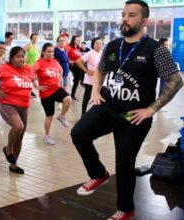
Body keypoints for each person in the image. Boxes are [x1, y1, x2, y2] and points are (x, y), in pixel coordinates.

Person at [70, 1, 183, 219]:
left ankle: (126, 209)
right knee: (79, 133)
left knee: (124, 162)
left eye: (131, 15)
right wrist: (95, 92)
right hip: (108, 107)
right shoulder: (113, 45)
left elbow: (176, 81)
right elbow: (100, 71)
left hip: (134, 117)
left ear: (144, 21)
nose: (125, 19)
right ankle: (98, 173)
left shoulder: (155, 49)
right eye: (123, 14)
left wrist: (151, 110)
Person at [0, 46, 34, 175]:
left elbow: (31, 83)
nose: (21, 59)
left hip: (24, 106)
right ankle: (8, 149)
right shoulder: (5, 68)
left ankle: (13, 165)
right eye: (17, 57)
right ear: (11, 59)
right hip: (7, 103)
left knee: (20, 137)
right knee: (18, 126)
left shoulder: (29, 70)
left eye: (22, 56)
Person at [32, 43, 72, 145]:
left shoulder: (55, 61)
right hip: (46, 93)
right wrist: (36, 86)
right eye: (48, 51)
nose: (51, 53)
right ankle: (47, 136)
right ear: (43, 52)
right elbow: (30, 74)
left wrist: (58, 80)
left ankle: (62, 116)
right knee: (49, 116)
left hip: (56, 88)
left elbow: (61, 70)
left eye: (52, 51)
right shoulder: (39, 63)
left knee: (68, 99)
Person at [76, 37, 103, 115]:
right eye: (97, 43)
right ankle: (83, 114)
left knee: (99, 98)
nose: (99, 45)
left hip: (100, 81)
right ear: (93, 45)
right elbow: (78, 61)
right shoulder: (90, 53)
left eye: (100, 43)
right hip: (90, 80)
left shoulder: (103, 53)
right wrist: (86, 70)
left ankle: (95, 115)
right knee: (87, 98)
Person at [67, 35, 83, 101]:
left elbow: (80, 57)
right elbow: (64, 55)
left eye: (79, 40)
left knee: (77, 80)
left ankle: (72, 95)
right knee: (80, 70)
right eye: (76, 40)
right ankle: (81, 80)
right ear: (73, 40)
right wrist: (70, 61)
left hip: (77, 65)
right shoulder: (69, 47)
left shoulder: (78, 48)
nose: (78, 41)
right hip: (70, 64)